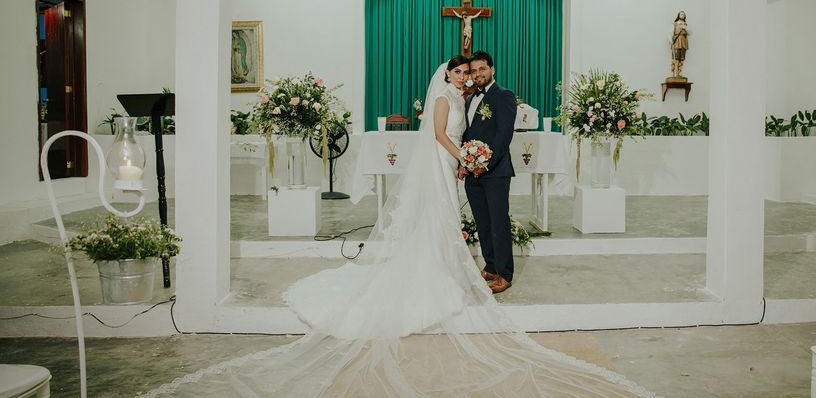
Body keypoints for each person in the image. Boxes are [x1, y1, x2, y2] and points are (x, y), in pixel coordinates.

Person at [140, 57, 650, 397]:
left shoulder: (499, 95)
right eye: (462, 71)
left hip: (475, 168)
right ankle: (469, 272)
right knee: (450, 222)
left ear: (485, 71)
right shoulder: (451, 99)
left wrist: (474, 155)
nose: (467, 75)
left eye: (472, 70)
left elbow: (493, 131)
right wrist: (462, 154)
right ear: (450, 77)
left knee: (482, 222)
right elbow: (441, 132)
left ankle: (495, 272)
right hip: (452, 167)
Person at [459, 50, 517, 294]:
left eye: (482, 69)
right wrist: (466, 163)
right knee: (482, 222)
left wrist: (484, 164)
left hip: (495, 171)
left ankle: (504, 273)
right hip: (472, 172)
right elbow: (467, 134)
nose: (478, 74)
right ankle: (491, 265)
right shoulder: (470, 99)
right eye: (473, 70)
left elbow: (504, 136)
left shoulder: (503, 95)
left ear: (492, 69)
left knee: (498, 222)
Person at [671, 11, 689, 78]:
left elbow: (689, 33)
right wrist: (671, 40)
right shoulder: (675, 24)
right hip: (677, 41)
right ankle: (674, 73)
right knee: (675, 57)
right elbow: (671, 32)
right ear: (678, 15)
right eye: (681, 14)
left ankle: (679, 73)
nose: (682, 15)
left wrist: (686, 29)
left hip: (683, 41)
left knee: (681, 58)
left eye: (683, 14)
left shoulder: (685, 24)